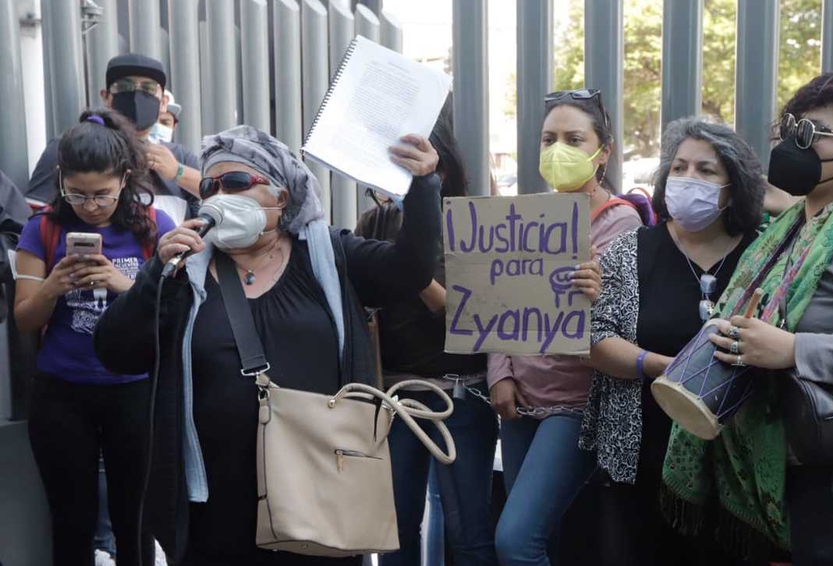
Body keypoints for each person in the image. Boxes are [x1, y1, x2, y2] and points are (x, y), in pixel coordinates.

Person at [92, 125, 443, 565]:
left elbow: (409, 271)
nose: (219, 195)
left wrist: (424, 186)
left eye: (236, 182)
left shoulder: (329, 256)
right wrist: (154, 274)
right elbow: (114, 351)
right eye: (209, 185)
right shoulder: (184, 273)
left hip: (318, 492)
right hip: (215, 503)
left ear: (284, 196)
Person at [661, 71, 833, 565]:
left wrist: (793, 351)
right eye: (790, 128)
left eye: (810, 134)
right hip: (803, 465)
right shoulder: (797, 222)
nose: (792, 143)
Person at [580, 116, 764, 565]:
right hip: (641, 458)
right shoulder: (632, 248)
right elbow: (596, 338)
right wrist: (667, 369)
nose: (687, 179)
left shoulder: (765, 253)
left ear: (733, 185)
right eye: (679, 167)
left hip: (735, 465)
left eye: (706, 170)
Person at [13, 108, 175, 566]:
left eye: (101, 195)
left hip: (136, 391)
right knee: (71, 521)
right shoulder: (41, 228)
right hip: (62, 393)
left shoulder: (154, 227)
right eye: (77, 194)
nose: (90, 206)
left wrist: (125, 285)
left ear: (124, 178)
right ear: (61, 178)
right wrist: (54, 286)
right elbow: (25, 317)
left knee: (136, 521)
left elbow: (176, 313)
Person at [489, 88, 640, 566]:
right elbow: (496, 299)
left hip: (576, 404)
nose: (559, 150)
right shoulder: (524, 215)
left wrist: (598, 293)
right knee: (541, 537)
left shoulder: (622, 221)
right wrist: (500, 373)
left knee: (515, 540)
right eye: (549, 139)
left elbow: (621, 318)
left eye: (574, 139)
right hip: (520, 400)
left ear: (603, 151)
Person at [355, 95, 499, 566]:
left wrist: (415, 274)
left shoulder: (472, 217)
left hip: (462, 396)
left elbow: (481, 319)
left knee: (469, 534)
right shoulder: (374, 220)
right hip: (395, 400)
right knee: (394, 533)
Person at [26, 54, 200, 226]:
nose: (136, 95)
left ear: (163, 102)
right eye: (124, 86)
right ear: (106, 97)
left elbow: (219, 199)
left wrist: (178, 172)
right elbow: (34, 219)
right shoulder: (71, 147)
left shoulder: (179, 156)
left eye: (148, 88)